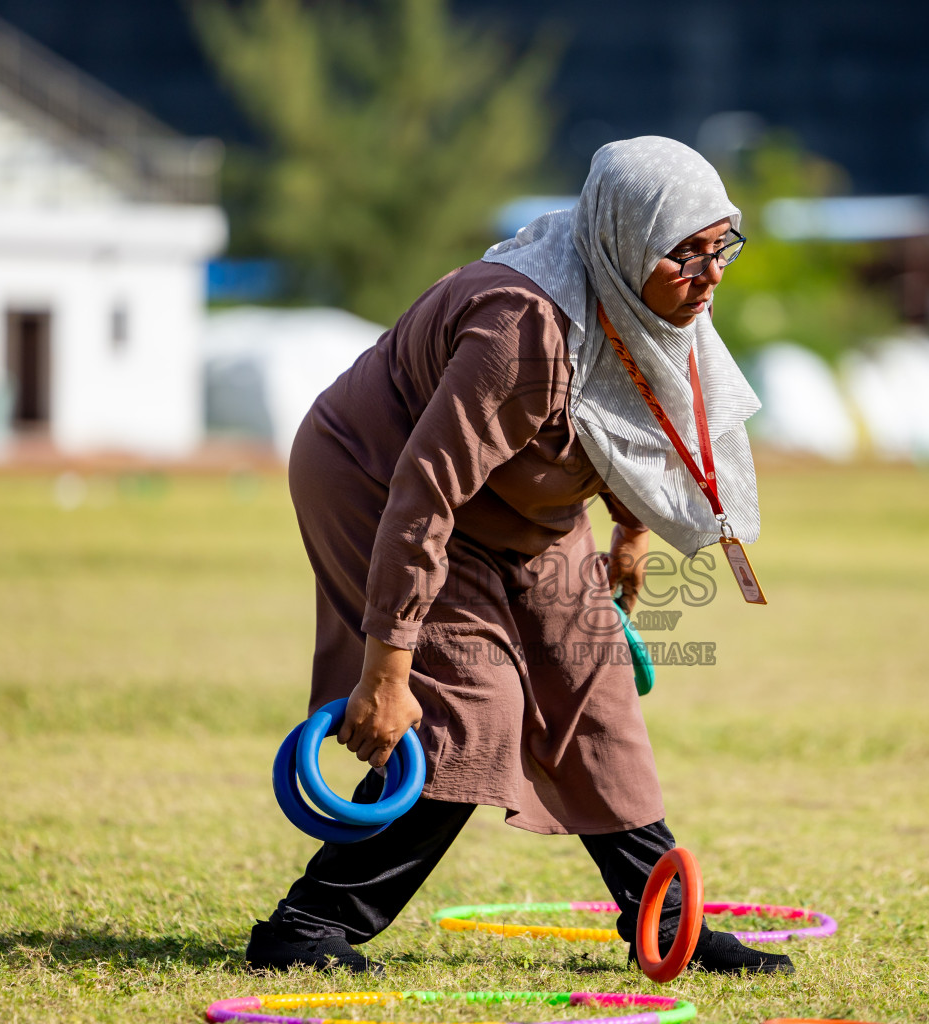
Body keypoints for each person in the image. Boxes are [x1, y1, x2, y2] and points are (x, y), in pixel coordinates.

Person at [246, 137, 784, 976]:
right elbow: (421, 498)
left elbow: (632, 414)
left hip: (522, 498)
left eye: (722, 247)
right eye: (687, 254)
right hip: (375, 477)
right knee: (471, 711)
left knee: (594, 686)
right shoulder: (521, 333)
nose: (711, 274)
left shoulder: (652, 302)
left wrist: (632, 530)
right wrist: (386, 675)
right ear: (624, 242)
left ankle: (664, 921)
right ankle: (308, 926)